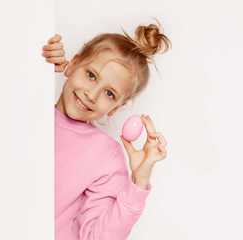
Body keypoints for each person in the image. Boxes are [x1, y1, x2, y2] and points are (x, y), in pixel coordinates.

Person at [42, 21, 171, 239]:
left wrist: (138, 182)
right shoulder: (26, 110)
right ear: (72, 64)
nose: (91, 95)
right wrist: (34, 59)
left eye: (109, 93)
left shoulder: (105, 154)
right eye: (91, 75)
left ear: (116, 107)